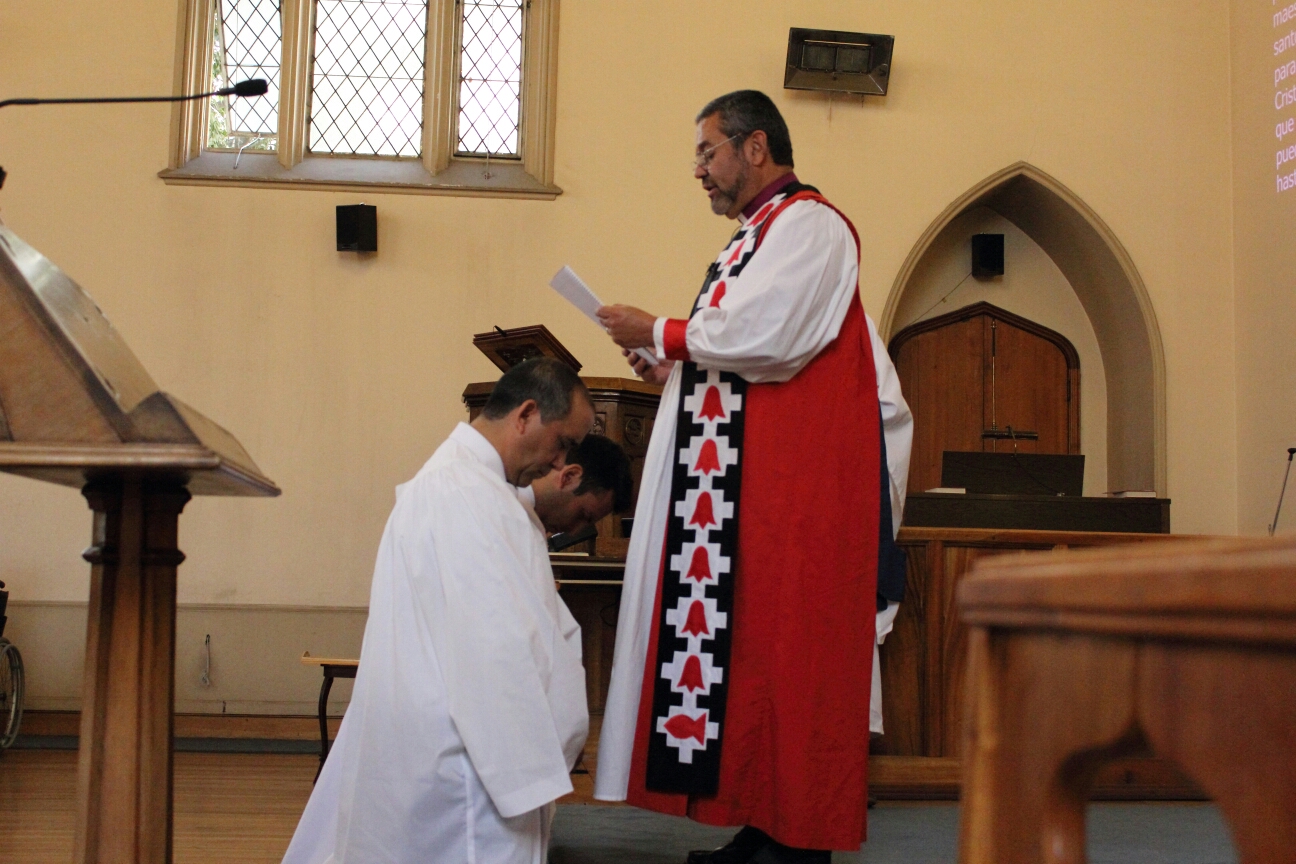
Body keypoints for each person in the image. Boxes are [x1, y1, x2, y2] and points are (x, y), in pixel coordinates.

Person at [593, 90, 898, 863]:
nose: (698, 170)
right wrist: (674, 370)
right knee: (753, 665)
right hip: (748, 490)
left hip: (794, 495)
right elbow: (745, 357)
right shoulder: (756, 235)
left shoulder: (811, 225)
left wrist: (662, 329)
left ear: (755, 147)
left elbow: (770, 336)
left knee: (792, 667)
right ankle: (763, 827)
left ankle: (799, 844)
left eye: (708, 152)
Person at [281, 357, 594, 864]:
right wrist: (544, 750)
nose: (559, 463)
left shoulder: (467, 486)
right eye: (562, 442)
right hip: (468, 767)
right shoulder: (463, 494)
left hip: (449, 750)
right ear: (526, 415)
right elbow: (498, 649)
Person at [520, 433, 635, 536]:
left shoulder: (531, 526)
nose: (573, 531)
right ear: (569, 477)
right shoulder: (512, 511)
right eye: (582, 515)